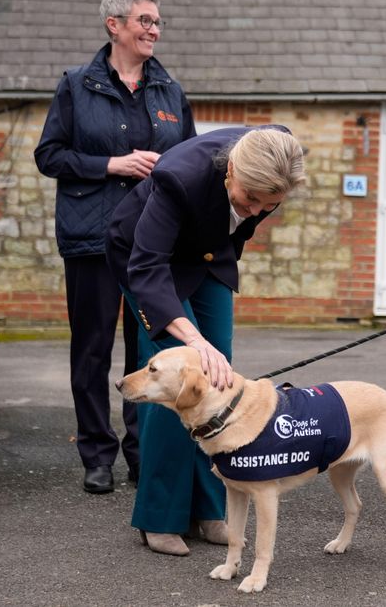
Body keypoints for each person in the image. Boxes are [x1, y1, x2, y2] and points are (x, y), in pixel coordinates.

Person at [106, 126, 306, 556]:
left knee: (217, 376)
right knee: (174, 379)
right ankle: (159, 516)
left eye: (267, 206)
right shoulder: (178, 177)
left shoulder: (279, 162)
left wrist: (243, 214)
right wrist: (193, 338)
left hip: (210, 254)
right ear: (231, 169)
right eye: (249, 199)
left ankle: (208, 507)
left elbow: (242, 221)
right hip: (147, 260)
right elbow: (147, 264)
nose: (255, 211)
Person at [34, 0, 194, 494]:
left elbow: (192, 161)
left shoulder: (170, 90)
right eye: (144, 20)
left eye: (157, 22)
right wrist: (112, 164)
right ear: (115, 25)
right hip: (92, 239)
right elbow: (49, 156)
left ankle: (141, 454)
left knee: (148, 351)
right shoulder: (77, 86)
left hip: (153, 246)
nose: (154, 29)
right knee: (92, 350)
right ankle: (96, 455)